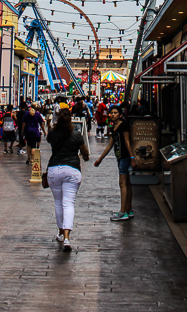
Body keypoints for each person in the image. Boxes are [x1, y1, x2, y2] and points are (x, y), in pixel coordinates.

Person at [47, 109, 89, 251]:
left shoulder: (52, 133)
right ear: (71, 119)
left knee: (58, 203)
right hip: (72, 169)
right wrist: (85, 156)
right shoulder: (77, 135)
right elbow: (85, 153)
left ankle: (60, 233)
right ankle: (67, 238)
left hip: (54, 169)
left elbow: (49, 140)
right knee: (68, 203)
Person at [94, 105, 134, 221]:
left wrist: (132, 157)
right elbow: (110, 145)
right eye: (111, 113)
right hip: (120, 156)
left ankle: (123, 212)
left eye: (115, 113)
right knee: (127, 183)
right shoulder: (114, 127)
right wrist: (100, 159)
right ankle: (128, 209)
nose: (112, 115)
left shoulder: (123, 125)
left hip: (124, 157)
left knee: (122, 183)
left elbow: (127, 142)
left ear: (120, 115)